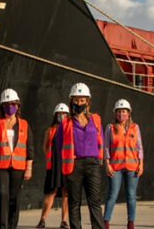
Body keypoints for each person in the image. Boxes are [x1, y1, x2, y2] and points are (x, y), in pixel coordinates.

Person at [0, 88, 34, 229]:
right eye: (6, 104)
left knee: (14, 197)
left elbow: (30, 148)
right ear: (2, 106)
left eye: (13, 103)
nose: (10, 107)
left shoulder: (24, 124)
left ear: (17, 105)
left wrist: (28, 168)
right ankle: (3, 225)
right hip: (0, 166)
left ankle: (13, 225)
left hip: (18, 166)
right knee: (2, 194)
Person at [58, 82, 104, 229]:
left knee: (94, 201)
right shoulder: (65, 122)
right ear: (71, 101)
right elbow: (59, 144)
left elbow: (101, 140)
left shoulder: (96, 119)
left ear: (87, 102)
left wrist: (100, 159)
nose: (79, 103)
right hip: (74, 164)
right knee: (74, 202)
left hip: (92, 164)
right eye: (76, 100)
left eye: (82, 100)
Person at [103, 99, 144, 229]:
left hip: (132, 167)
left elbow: (139, 148)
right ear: (115, 113)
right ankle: (105, 222)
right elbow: (106, 148)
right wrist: (107, 164)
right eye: (119, 111)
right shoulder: (110, 128)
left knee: (131, 196)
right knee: (112, 195)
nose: (121, 114)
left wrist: (141, 164)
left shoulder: (135, 128)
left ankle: (131, 223)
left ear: (129, 113)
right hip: (116, 167)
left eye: (124, 111)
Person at [36, 103, 70, 229]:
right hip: (54, 166)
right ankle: (42, 220)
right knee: (51, 192)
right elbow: (45, 147)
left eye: (64, 114)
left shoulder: (71, 129)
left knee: (66, 193)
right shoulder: (50, 130)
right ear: (55, 116)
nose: (62, 116)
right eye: (59, 114)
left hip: (67, 166)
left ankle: (64, 221)